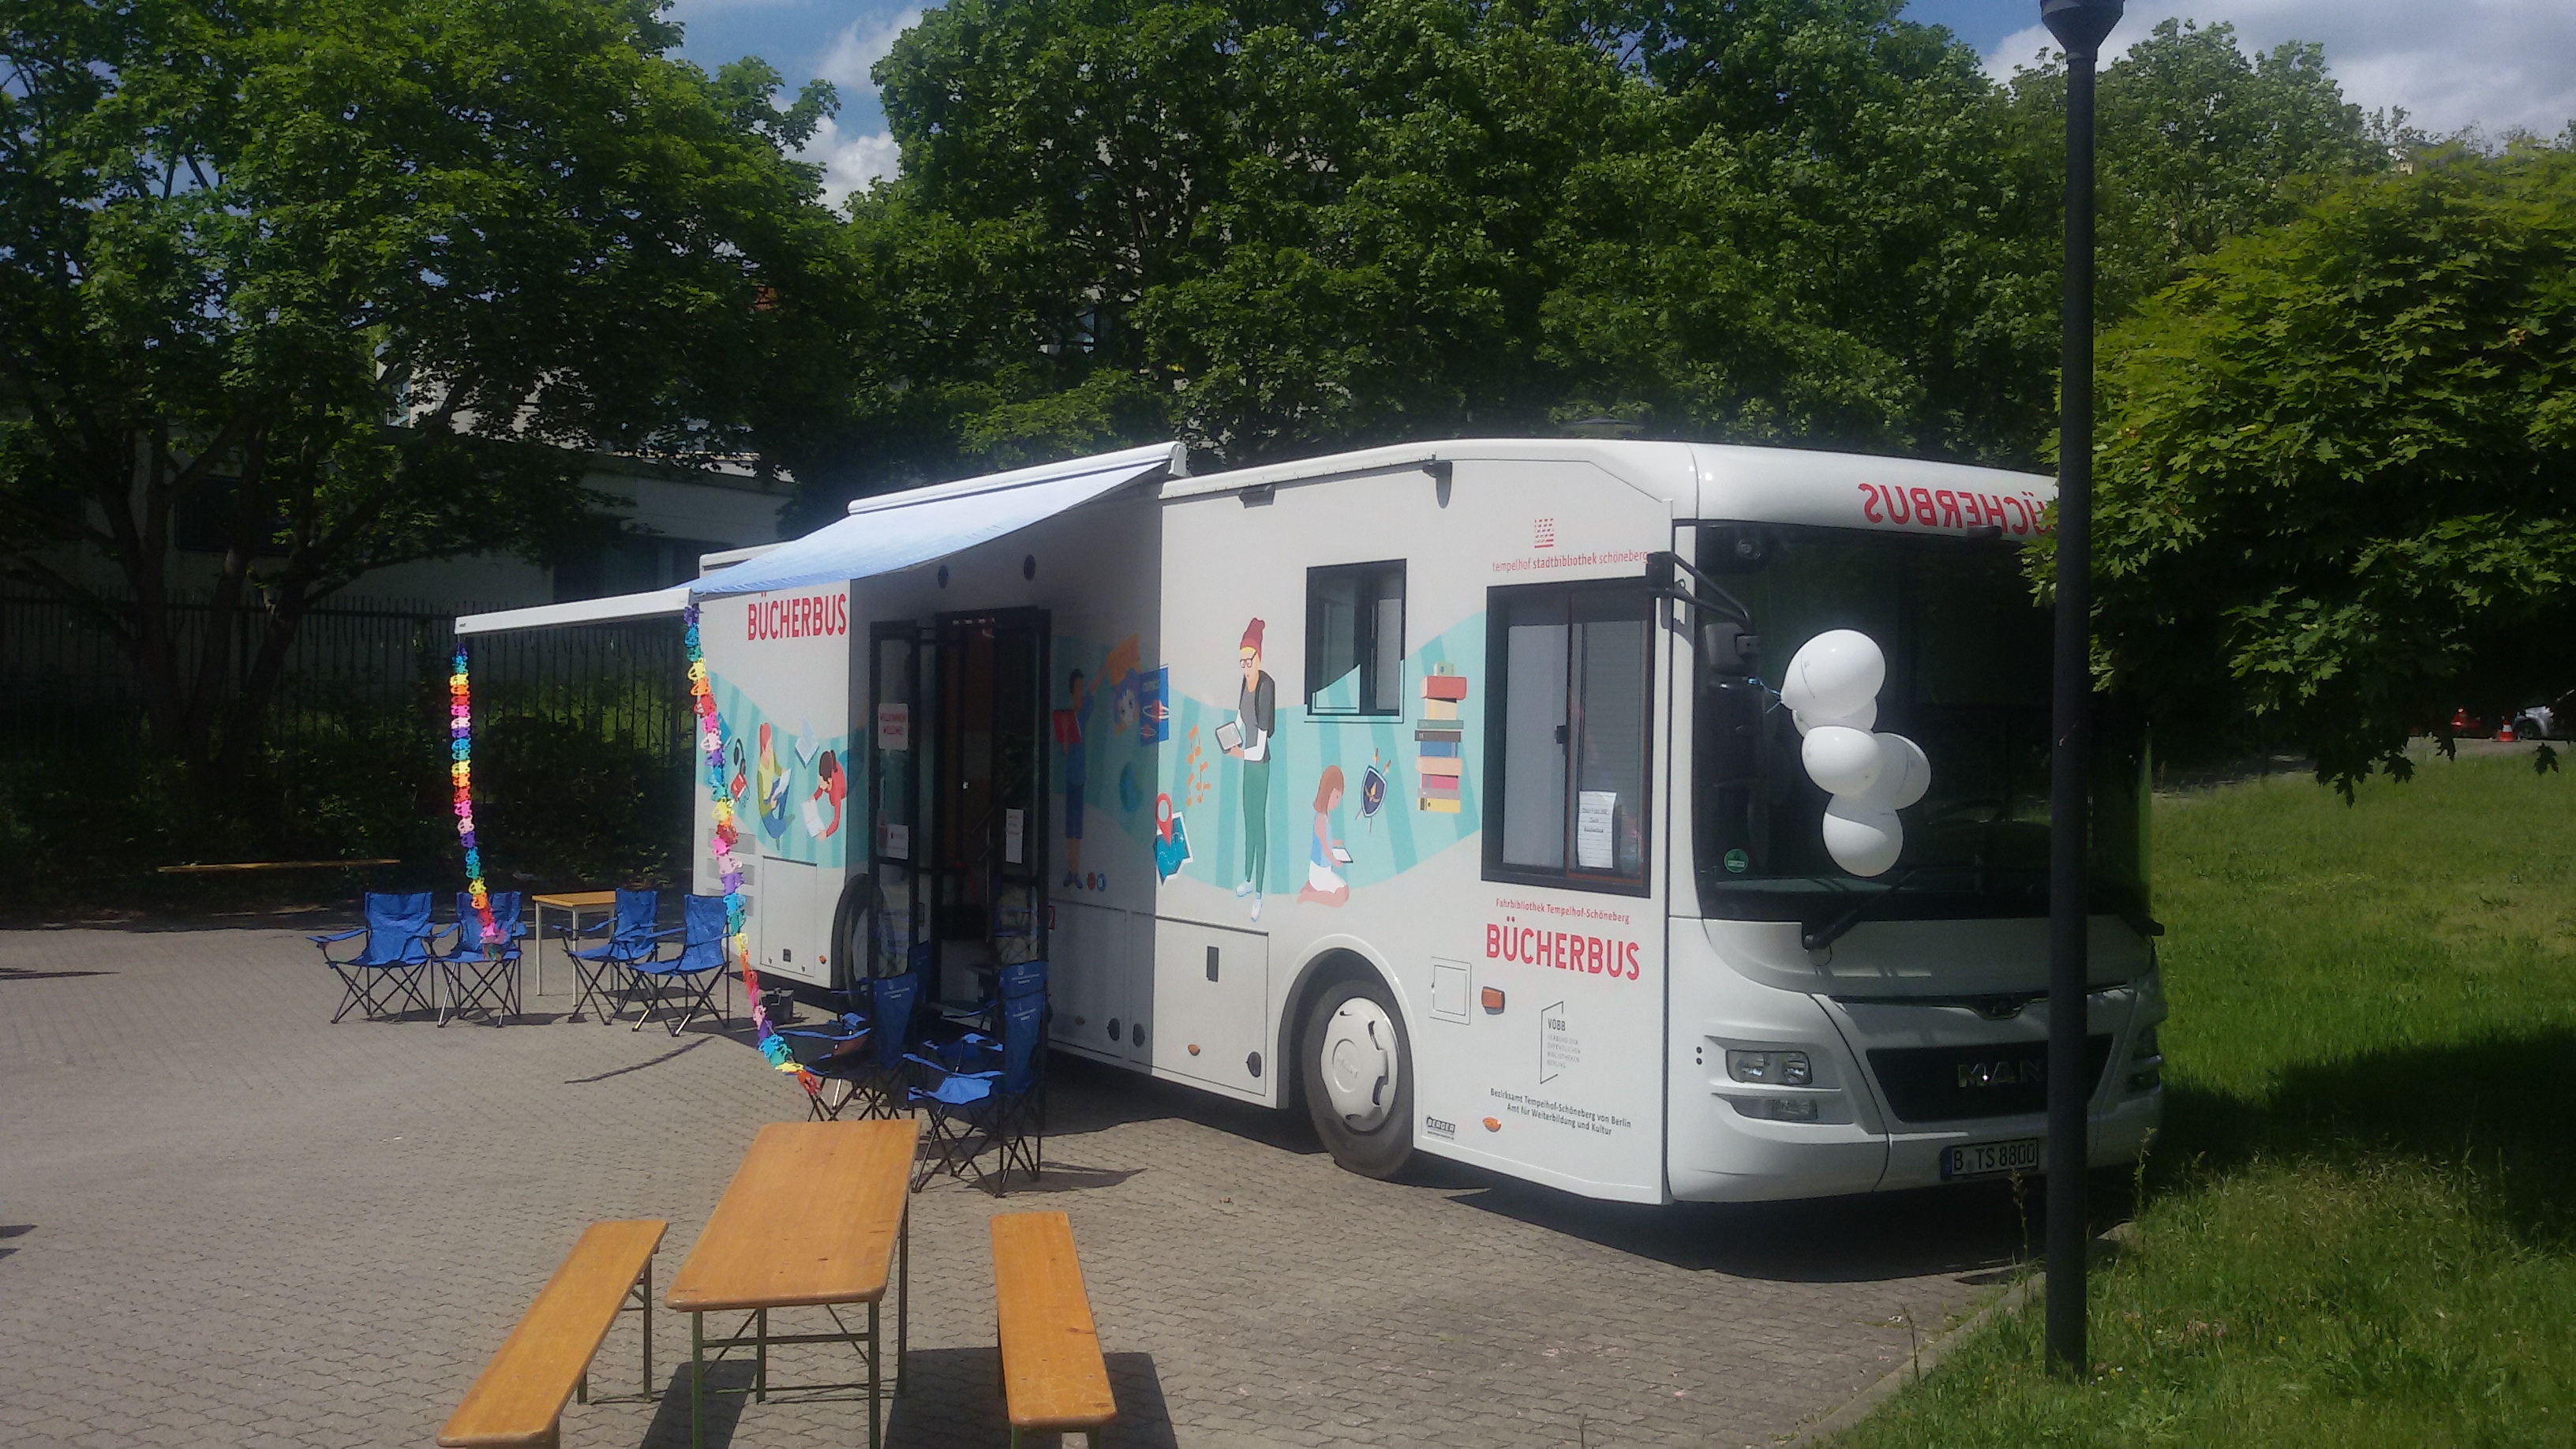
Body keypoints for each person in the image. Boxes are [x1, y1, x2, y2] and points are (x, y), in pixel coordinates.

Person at [1220, 618, 1276, 920]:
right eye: (1241, 662)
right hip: (1245, 761)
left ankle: (1259, 893)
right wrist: (1229, 732)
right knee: (1246, 819)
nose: (1245, 668)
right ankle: (1247, 876)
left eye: (1249, 661)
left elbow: (1261, 743)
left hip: (1259, 764)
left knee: (1258, 825)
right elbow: (1240, 718)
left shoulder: (1267, 687)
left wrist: (1240, 752)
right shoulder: (1246, 682)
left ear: (1259, 658)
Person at [1059, 668, 1094, 889]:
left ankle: (1075, 871)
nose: (1081, 692)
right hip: (1070, 778)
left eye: (1082, 687)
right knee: (1070, 828)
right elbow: (1064, 750)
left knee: (1077, 829)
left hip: (1079, 779)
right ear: (1072, 692)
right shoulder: (1067, 717)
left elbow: (1093, 691)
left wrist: (1108, 666)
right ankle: (1071, 871)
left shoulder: (1083, 713)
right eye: (1078, 688)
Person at [1298, 766, 1350, 907]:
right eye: (1336, 796)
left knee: (1345, 891)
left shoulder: (1325, 817)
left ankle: (1311, 887)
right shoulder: (1321, 819)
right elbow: (1325, 850)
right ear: (1327, 793)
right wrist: (1335, 861)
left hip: (1323, 870)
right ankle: (1309, 895)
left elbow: (1324, 842)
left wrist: (1334, 842)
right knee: (1341, 897)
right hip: (1319, 872)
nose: (1338, 801)